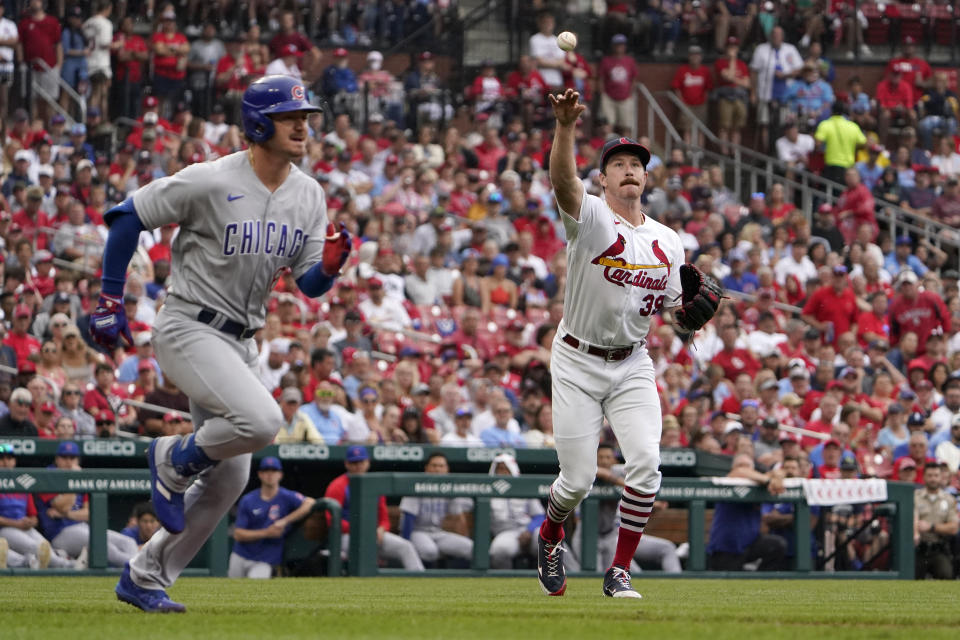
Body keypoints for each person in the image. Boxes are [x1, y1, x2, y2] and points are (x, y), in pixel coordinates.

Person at [94, 76, 351, 613]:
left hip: (242, 341)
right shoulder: (209, 180)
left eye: (306, 115)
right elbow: (126, 219)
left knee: (230, 477)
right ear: (258, 124)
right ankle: (171, 457)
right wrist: (111, 300)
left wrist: (326, 270)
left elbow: (307, 282)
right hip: (189, 324)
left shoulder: (308, 192)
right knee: (260, 422)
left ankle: (145, 576)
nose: (303, 124)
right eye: (289, 116)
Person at [534, 89, 719, 599]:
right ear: (604, 177)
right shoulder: (590, 216)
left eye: (636, 163)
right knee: (576, 482)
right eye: (618, 163)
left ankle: (618, 571)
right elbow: (561, 180)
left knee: (646, 464)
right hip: (575, 359)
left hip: (632, 362)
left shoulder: (668, 239)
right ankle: (550, 533)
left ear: (646, 176)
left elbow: (679, 315)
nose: (629, 169)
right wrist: (565, 126)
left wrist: (691, 318)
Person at [569, 444, 681, 574]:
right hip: (587, 535)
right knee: (594, 575)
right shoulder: (587, 470)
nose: (604, 461)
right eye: (600, 457)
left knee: (628, 573)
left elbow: (641, 472)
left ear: (614, 460)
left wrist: (652, 501)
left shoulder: (618, 470)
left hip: (610, 535)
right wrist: (625, 484)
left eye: (608, 457)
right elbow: (602, 473)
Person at [34, 441, 138, 568]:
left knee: (127, 542)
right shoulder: (48, 475)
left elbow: (88, 514)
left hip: (82, 527)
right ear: (57, 459)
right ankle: (139, 569)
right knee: (105, 546)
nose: (68, 461)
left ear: (77, 460)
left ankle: (138, 570)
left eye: (72, 458)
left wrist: (67, 514)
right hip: (59, 534)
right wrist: (74, 478)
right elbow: (64, 506)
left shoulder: (80, 475)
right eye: (64, 457)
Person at [324, 445, 425, 572]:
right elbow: (331, 520)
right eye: (354, 462)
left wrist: (382, 529)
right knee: (363, 548)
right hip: (346, 536)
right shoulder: (337, 486)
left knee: (406, 547)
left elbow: (384, 518)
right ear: (347, 464)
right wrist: (361, 530)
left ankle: (420, 580)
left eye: (361, 462)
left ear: (367, 463)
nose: (358, 466)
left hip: (374, 534)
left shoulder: (373, 484)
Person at [229, 456, 316, 579]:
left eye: (273, 471)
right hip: (241, 554)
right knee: (231, 591)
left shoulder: (286, 496)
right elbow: (238, 534)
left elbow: (310, 503)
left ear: (280, 474)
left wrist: (285, 521)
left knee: (255, 588)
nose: (270, 475)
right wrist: (267, 533)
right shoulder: (248, 499)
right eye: (266, 471)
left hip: (266, 558)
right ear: (260, 474)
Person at [0, 443, 76, 569]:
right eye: (1, 459)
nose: (5, 462)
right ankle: (65, 566)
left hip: (24, 527)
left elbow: (34, 516)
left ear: (14, 461)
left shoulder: (20, 483)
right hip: (4, 529)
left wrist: (30, 522)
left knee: (43, 544)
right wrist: (16, 524)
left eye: (9, 458)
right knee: (34, 547)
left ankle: (40, 562)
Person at [707, 453, 787, 571]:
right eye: (740, 465)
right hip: (727, 545)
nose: (744, 468)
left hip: (750, 541)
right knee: (728, 585)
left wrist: (777, 477)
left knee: (777, 545)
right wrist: (769, 479)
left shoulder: (758, 483)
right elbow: (740, 472)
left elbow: (779, 474)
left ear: (753, 469)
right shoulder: (728, 480)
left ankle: (762, 582)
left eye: (747, 465)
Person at [399, 453, 473, 567]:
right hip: (417, 531)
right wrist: (405, 545)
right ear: (426, 468)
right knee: (430, 551)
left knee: (470, 547)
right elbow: (408, 519)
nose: (437, 469)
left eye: (441, 466)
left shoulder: (449, 487)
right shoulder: (416, 484)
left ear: (447, 469)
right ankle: (424, 578)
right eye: (434, 465)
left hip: (438, 533)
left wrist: (461, 536)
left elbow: (457, 517)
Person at [488, 453, 547, 569]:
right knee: (498, 550)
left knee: (550, 540)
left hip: (529, 529)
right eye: (499, 469)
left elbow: (540, 516)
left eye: (506, 469)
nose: (502, 473)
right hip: (506, 533)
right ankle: (506, 583)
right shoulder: (489, 491)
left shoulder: (524, 487)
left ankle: (568, 575)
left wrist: (529, 531)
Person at [915, 464, 957, 579]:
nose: (933, 479)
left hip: (939, 548)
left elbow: (954, 528)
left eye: (936, 475)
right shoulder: (915, 497)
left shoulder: (949, 499)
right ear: (923, 477)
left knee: (947, 575)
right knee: (910, 578)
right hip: (918, 549)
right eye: (929, 475)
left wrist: (931, 527)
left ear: (941, 477)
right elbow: (912, 518)